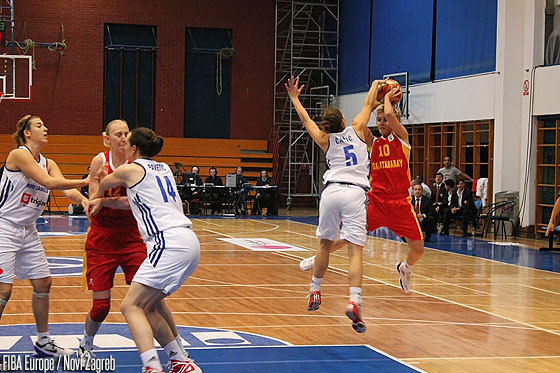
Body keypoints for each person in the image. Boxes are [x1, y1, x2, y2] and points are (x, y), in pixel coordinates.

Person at [91, 127, 201, 373]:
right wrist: (105, 202)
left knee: (131, 306)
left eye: (126, 142)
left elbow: (104, 182)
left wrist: (99, 175)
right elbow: (133, 201)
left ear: (133, 148)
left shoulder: (131, 168)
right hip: (187, 241)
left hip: (167, 242)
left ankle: (152, 366)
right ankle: (179, 359)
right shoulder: (163, 169)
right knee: (150, 305)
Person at [286, 76, 383, 333]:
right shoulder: (358, 128)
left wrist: (295, 97)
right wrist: (376, 83)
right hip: (354, 193)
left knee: (324, 245)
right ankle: (355, 300)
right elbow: (369, 102)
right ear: (343, 121)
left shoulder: (324, 139)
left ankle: (315, 290)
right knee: (355, 251)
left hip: (330, 192)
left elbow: (306, 120)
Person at [0, 115, 89, 357]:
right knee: (3, 291)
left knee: (43, 283)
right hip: (4, 227)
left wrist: (84, 199)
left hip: (28, 229)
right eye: (39, 125)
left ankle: (43, 341)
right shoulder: (19, 154)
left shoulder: (47, 161)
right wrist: (87, 179)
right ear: (27, 133)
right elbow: (49, 183)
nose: (45, 128)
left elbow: (63, 186)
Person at [366, 85, 425, 295]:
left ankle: (405, 268)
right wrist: (372, 101)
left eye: (384, 120)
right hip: (378, 202)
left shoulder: (402, 138)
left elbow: (390, 113)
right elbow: (360, 122)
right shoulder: (373, 144)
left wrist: (388, 98)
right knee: (350, 234)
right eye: (378, 120)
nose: (381, 123)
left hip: (400, 203)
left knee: (418, 249)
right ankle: (320, 258)